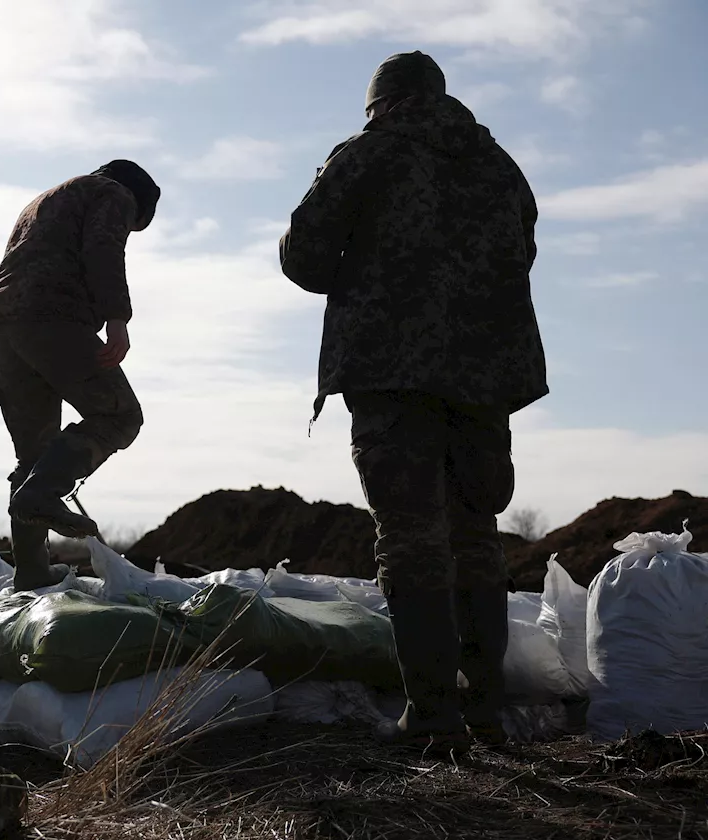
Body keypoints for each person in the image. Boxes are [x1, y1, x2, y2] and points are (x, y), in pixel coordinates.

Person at [278, 51, 548, 753]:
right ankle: (484, 708)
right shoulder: (501, 166)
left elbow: (303, 256)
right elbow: (522, 250)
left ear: (382, 104)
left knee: (412, 537)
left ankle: (431, 716)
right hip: (486, 378)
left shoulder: (370, 155)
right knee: (475, 535)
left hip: (393, 369)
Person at [0, 160, 160, 590]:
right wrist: (117, 317)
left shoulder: (44, 201)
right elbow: (103, 247)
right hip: (53, 316)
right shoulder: (114, 193)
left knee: (34, 454)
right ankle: (44, 493)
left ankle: (30, 572)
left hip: (4, 324)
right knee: (120, 416)